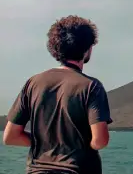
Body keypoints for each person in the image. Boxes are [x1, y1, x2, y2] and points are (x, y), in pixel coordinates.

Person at [2, 15, 113, 174]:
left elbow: (10, 137)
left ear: (56, 48)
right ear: (88, 48)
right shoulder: (91, 87)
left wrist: (46, 142)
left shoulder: (33, 83)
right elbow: (100, 141)